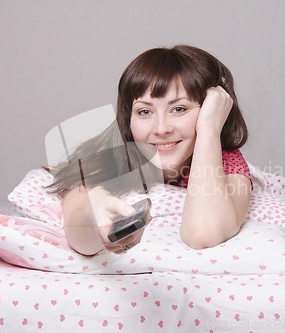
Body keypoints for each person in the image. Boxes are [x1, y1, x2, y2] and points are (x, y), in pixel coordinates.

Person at [47, 45, 252, 256]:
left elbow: (203, 235)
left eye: (179, 109)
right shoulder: (106, 158)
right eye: (145, 111)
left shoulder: (227, 162)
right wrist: (96, 212)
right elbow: (80, 237)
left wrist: (209, 130)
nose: (161, 129)